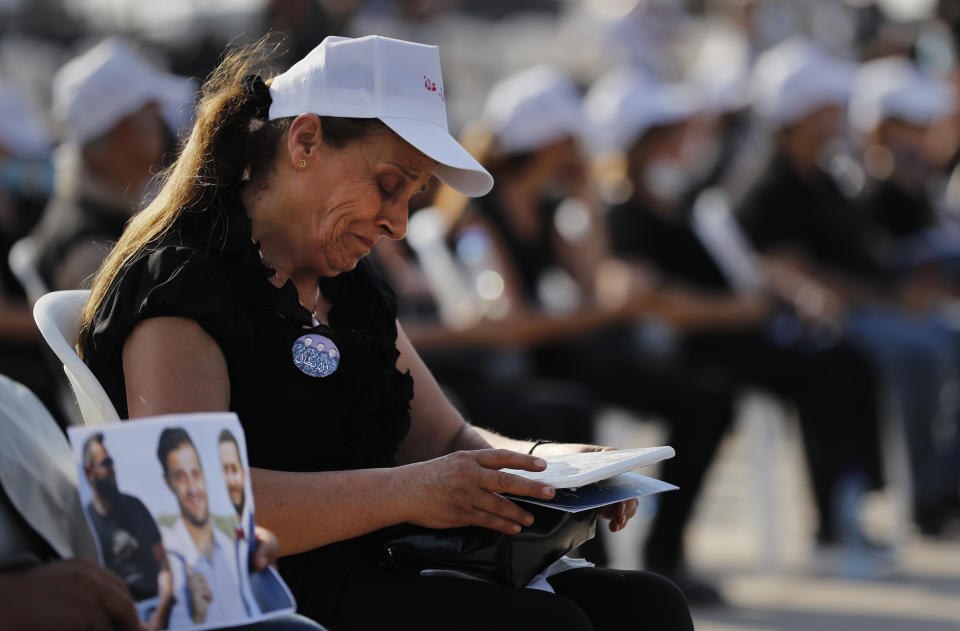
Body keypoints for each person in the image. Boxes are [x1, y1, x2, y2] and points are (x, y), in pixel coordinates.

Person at [79, 35, 693, 630]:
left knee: (647, 606)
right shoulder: (184, 281)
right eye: (390, 184)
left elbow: (447, 436)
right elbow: (190, 514)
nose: (398, 222)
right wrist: (408, 493)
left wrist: (549, 469)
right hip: (271, 588)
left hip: (388, 558)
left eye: (413, 195)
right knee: (547, 623)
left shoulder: (346, 282)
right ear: (305, 140)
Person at [31, 38, 190, 292]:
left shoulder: (94, 208)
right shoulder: (92, 253)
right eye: (153, 109)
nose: (164, 122)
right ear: (128, 132)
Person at [158, 428, 250, 627]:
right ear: (168, 482)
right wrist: (196, 620)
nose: (193, 488)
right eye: (181, 477)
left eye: (196, 473)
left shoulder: (229, 545)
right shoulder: (164, 559)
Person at [82, 433, 174, 628]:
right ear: (89, 471)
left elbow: (164, 564)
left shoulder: (135, 506)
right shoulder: (86, 521)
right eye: (105, 463)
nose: (113, 469)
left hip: (157, 606)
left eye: (112, 462)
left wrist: (159, 616)